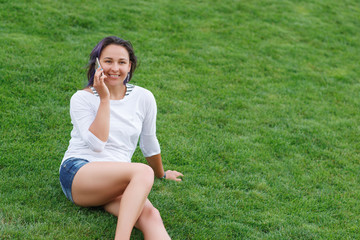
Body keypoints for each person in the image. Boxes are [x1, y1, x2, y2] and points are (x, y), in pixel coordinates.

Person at [59, 36, 183, 240]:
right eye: (108, 61)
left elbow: (149, 142)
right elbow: (97, 145)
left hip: (120, 180)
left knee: (152, 215)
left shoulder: (144, 97)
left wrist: (161, 174)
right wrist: (104, 98)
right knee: (142, 171)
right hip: (79, 174)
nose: (114, 68)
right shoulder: (81, 98)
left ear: (130, 66)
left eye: (122, 62)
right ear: (97, 63)